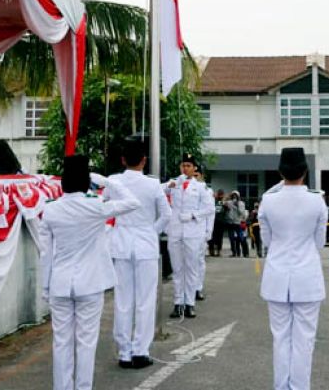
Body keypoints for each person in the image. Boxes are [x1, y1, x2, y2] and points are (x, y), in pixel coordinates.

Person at [39, 155, 140, 390]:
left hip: (59, 284)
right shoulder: (96, 206)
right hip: (91, 283)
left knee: (61, 343)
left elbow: (46, 254)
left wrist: (46, 287)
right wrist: (108, 181)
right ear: (87, 181)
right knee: (86, 343)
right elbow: (133, 202)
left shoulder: (51, 210)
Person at [259, 147, 327, 390]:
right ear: (306, 172)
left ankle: (281, 386)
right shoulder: (317, 201)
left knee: (280, 339)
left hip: (277, 275)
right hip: (307, 276)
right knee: (304, 340)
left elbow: (266, 241)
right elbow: (319, 242)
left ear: (280, 171)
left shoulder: (268, 200)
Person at [109, 140, 171, 370]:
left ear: (123, 159)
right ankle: (140, 351)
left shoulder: (114, 181)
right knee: (145, 301)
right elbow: (166, 214)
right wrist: (150, 232)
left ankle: (124, 352)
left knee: (123, 300)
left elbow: (103, 205)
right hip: (145, 245)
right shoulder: (153, 185)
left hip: (121, 243)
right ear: (144, 160)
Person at [164, 153, 215, 318]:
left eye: (188, 165)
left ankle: (190, 303)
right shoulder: (174, 183)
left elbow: (210, 209)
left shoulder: (201, 187)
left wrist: (193, 215)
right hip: (176, 231)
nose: (185, 168)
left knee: (191, 269)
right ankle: (178, 303)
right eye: (183, 165)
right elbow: (158, 190)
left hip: (193, 232)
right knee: (177, 269)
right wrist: (172, 183)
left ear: (194, 169)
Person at [195, 169, 215, 300]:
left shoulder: (207, 191)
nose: (194, 177)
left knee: (199, 261)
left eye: (197, 175)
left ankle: (198, 287)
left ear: (202, 176)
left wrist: (209, 231)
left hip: (201, 230)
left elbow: (210, 213)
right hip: (186, 230)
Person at [224, 191, 247, 257]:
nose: (234, 197)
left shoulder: (241, 203)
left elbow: (242, 213)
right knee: (231, 239)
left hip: (237, 223)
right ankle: (234, 253)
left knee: (241, 238)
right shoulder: (229, 202)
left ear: (238, 196)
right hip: (230, 223)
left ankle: (245, 253)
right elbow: (222, 204)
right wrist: (225, 200)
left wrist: (237, 206)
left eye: (235, 196)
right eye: (233, 196)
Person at [209, 189, 227, 257]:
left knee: (219, 237)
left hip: (220, 222)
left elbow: (226, 210)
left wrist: (224, 204)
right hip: (214, 221)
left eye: (221, 195)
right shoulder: (214, 201)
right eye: (220, 194)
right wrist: (222, 202)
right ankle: (212, 250)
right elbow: (217, 210)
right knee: (212, 237)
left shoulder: (223, 202)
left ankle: (218, 251)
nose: (221, 196)